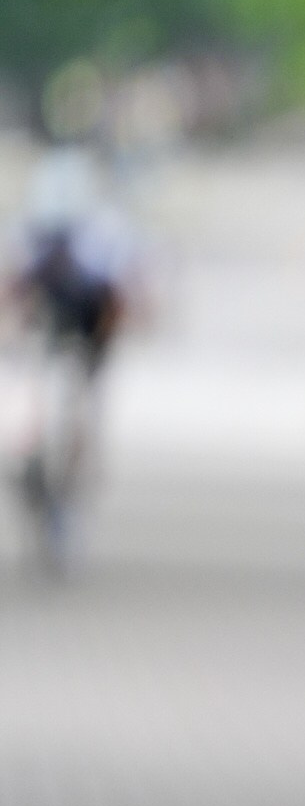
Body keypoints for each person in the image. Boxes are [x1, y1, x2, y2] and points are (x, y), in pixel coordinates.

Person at [6, 147, 137, 568]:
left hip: (87, 328)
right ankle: (41, 456)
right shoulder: (33, 232)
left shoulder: (102, 235)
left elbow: (118, 302)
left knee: (78, 407)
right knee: (46, 397)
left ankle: (71, 471)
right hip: (53, 328)